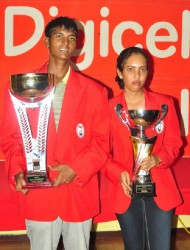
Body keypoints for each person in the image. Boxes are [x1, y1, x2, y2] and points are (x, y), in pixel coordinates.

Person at [0, 16, 110, 250]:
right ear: (46, 41)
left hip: (78, 192)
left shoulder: (95, 91)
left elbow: (102, 142)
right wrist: (19, 170)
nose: (65, 42)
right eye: (58, 36)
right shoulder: (21, 86)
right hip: (39, 193)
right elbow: (10, 137)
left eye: (71, 38)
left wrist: (76, 169)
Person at [101, 46, 183, 250]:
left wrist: (158, 158)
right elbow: (100, 150)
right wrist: (118, 172)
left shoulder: (165, 104)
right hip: (125, 190)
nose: (137, 76)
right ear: (120, 72)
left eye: (142, 69)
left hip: (160, 189)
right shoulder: (108, 108)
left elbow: (174, 144)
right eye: (130, 69)